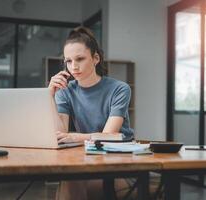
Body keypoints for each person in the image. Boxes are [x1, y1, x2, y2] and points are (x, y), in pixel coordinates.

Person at [48, 26, 134, 200]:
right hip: (84, 158)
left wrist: (76, 137)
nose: (74, 67)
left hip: (118, 161)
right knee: (71, 178)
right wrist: (49, 96)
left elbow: (109, 135)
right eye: (69, 61)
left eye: (79, 59)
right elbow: (61, 132)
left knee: (72, 179)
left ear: (96, 58)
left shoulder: (119, 89)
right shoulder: (65, 90)